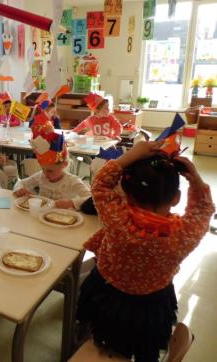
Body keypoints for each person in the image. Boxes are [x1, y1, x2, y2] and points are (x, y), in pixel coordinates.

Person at [77, 140, 215, 362]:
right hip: (152, 306)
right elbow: (204, 209)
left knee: (102, 334)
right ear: (176, 197)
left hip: (106, 294)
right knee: (143, 347)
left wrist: (131, 154)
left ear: (128, 195)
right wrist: (196, 181)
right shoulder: (182, 236)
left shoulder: (118, 221)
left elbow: (100, 184)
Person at [14, 114, 91, 210]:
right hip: (42, 217)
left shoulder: (72, 181)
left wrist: (72, 203)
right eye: (43, 169)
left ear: (64, 165)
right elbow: (20, 183)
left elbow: (90, 199)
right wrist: (19, 190)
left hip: (64, 218)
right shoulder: (41, 176)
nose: (45, 174)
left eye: (50, 171)